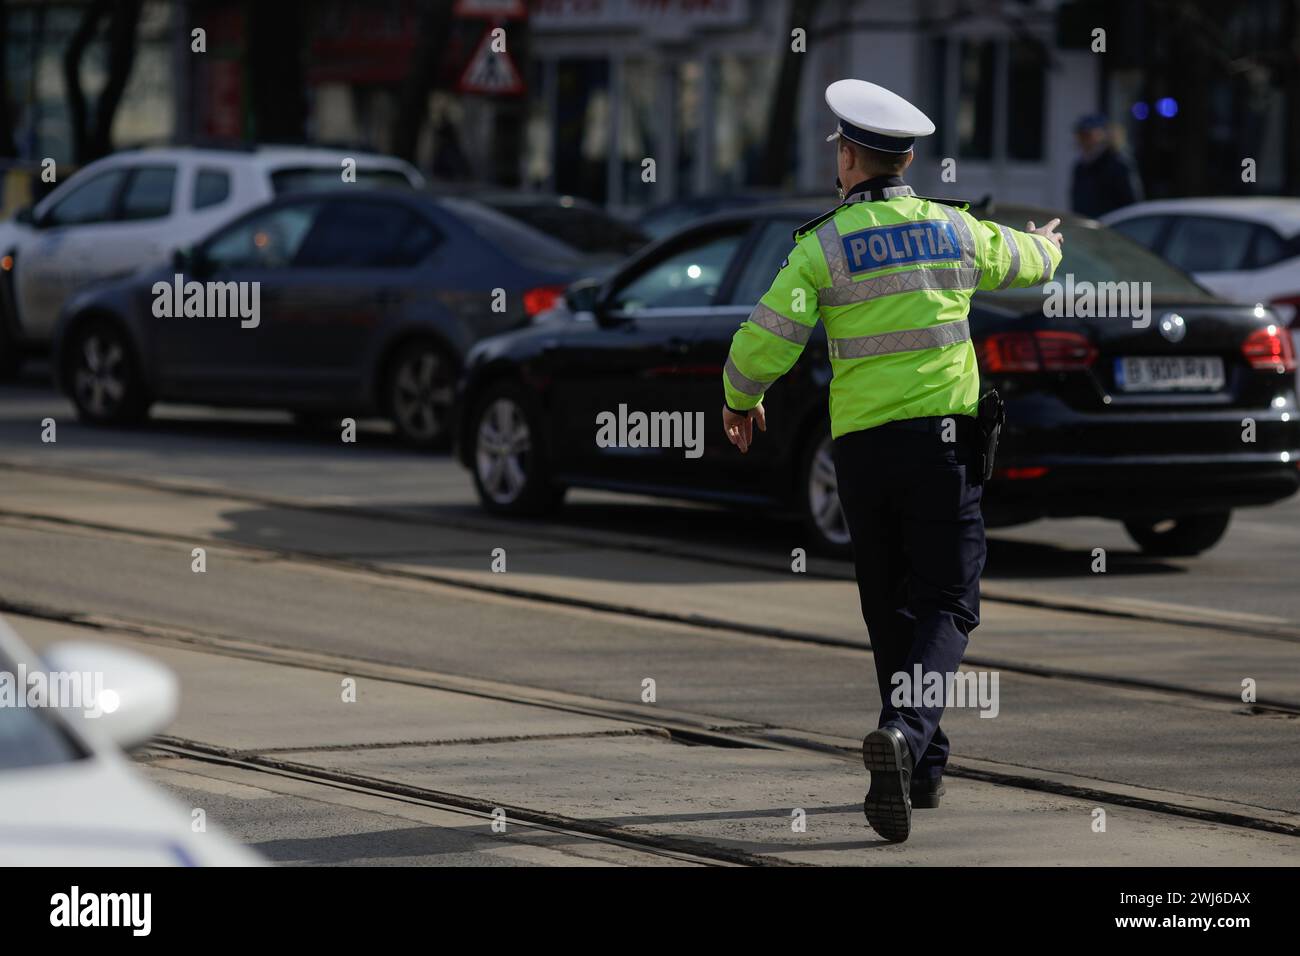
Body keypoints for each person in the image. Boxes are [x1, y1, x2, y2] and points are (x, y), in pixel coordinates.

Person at [721, 79, 1064, 842]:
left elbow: (766, 336)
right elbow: (1028, 260)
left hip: (862, 454)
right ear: (907, 159)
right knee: (948, 602)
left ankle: (920, 768)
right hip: (942, 447)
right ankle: (906, 734)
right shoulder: (955, 231)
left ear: (849, 159)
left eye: (837, 151)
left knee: (891, 607)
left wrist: (740, 400)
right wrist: (1052, 245)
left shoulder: (822, 244)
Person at [1070, 113, 1143, 217]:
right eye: (1081, 135)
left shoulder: (1117, 164)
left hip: (1111, 226)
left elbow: (1131, 201)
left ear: (1101, 135)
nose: (1083, 140)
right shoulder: (1080, 166)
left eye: (1088, 135)